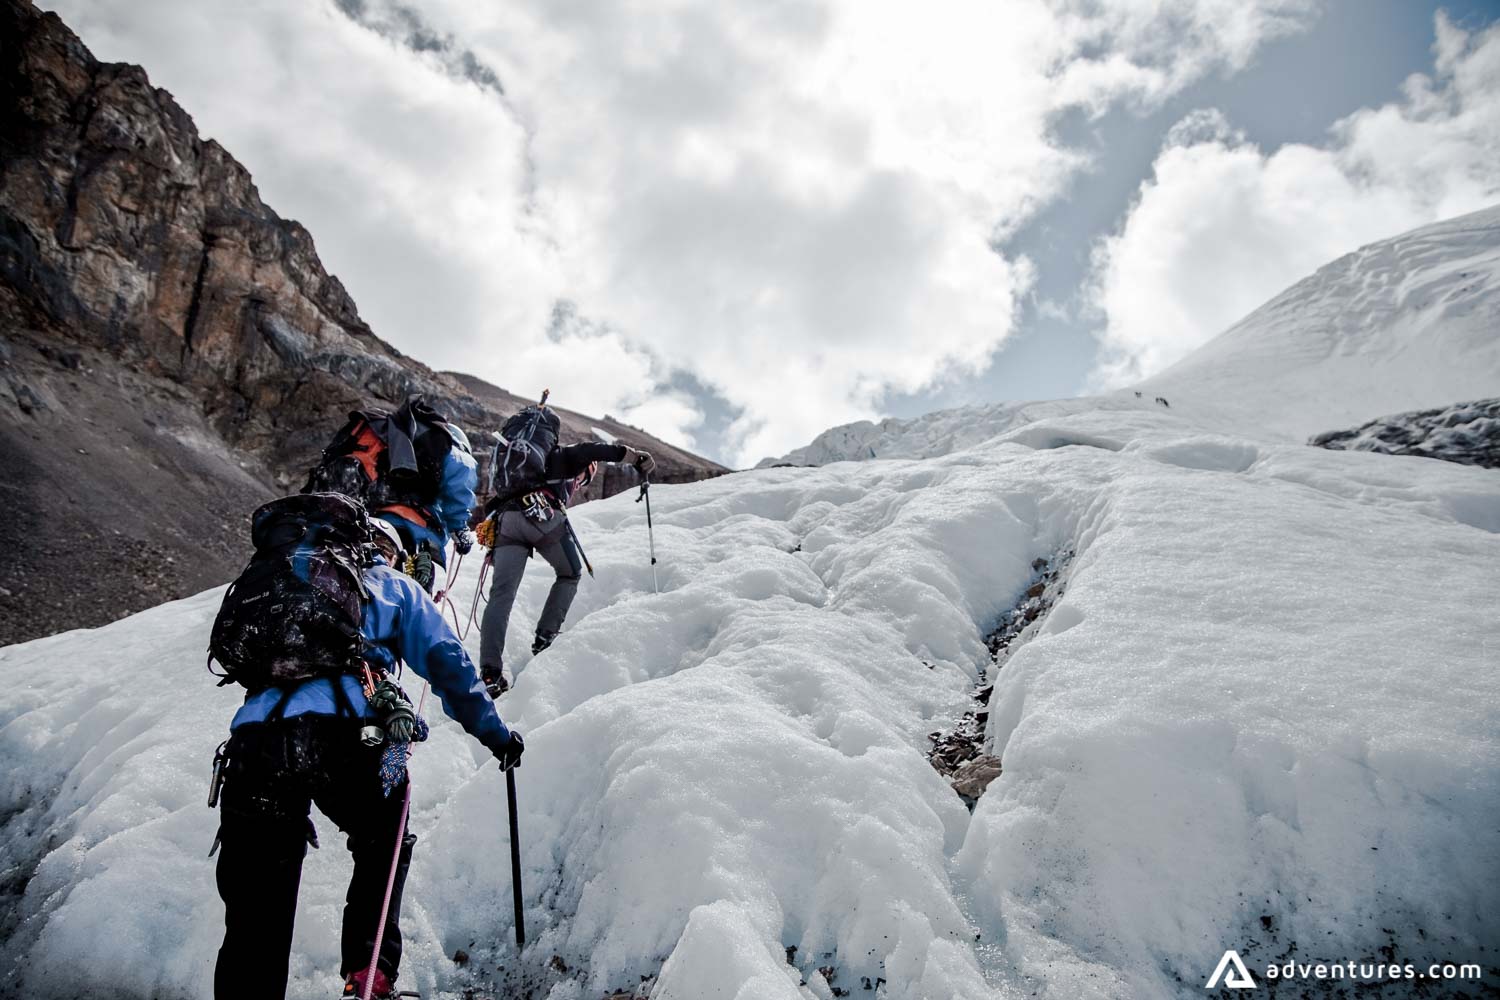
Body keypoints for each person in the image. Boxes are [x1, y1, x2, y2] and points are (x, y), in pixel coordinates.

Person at [210, 499, 523, 1000]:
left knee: (256, 908)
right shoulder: (391, 584)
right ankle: (369, 975)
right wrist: (497, 735)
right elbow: (448, 664)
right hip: (351, 735)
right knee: (384, 840)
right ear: (386, 552)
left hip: (255, 743)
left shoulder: (283, 578)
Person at [477, 437, 655, 695]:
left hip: (507, 521)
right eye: (583, 480)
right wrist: (633, 455)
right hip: (540, 516)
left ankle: (490, 674)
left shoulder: (519, 470)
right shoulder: (564, 457)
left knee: (501, 595)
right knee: (570, 573)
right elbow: (593, 449)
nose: (579, 483)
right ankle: (544, 639)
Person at [304, 397, 479, 592]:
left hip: (363, 522)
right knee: (406, 597)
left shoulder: (393, 444)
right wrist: (460, 528)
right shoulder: (453, 449)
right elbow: (459, 490)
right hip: (409, 533)